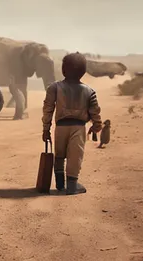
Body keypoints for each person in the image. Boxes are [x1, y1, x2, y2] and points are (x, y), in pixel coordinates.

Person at [41, 52, 102, 195]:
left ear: (63, 70)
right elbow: (95, 112)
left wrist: (46, 129)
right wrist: (96, 126)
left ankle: (60, 182)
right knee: (75, 156)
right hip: (78, 127)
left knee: (59, 155)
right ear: (84, 71)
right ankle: (72, 185)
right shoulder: (89, 91)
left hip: (61, 126)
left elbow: (48, 110)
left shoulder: (54, 88)